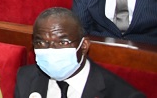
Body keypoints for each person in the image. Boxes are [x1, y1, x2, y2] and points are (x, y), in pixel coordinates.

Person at [15, 7, 145, 98]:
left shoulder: (123, 95)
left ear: (84, 45)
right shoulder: (25, 78)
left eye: (63, 42)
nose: (51, 50)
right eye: (41, 43)